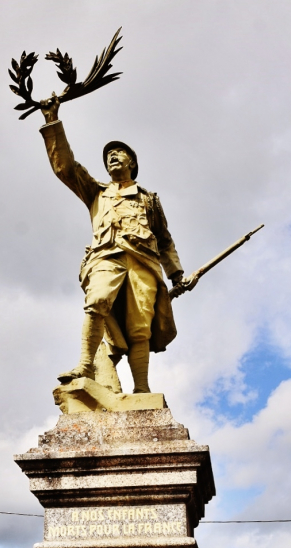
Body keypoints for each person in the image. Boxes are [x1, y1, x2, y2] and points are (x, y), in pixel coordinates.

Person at [39, 95, 194, 393]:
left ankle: (142, 390)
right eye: (108, 154)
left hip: (144, 263)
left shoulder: (149, 199)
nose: (112, 156)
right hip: (106, 257)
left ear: (132, 162)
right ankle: (85, 364)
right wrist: (52, 122)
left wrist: (176, 274)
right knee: (96, 302)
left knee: (139, 329)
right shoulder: (97, 191)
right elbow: (66, 168)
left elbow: (164, 239)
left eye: (119, 152)